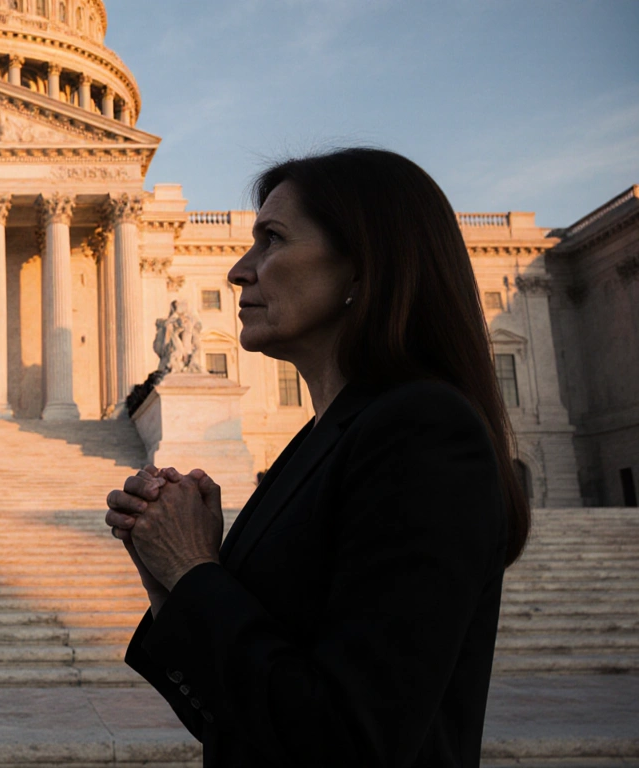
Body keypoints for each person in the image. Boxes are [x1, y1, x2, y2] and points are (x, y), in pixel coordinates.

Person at [106, 147, 529, 767]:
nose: (238, 272)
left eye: (271, 240)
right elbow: (237, 718)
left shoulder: (424, 432)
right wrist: (170, 573)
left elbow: (350, 739)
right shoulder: (320, 442)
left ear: (363, 268)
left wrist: (196, 570)